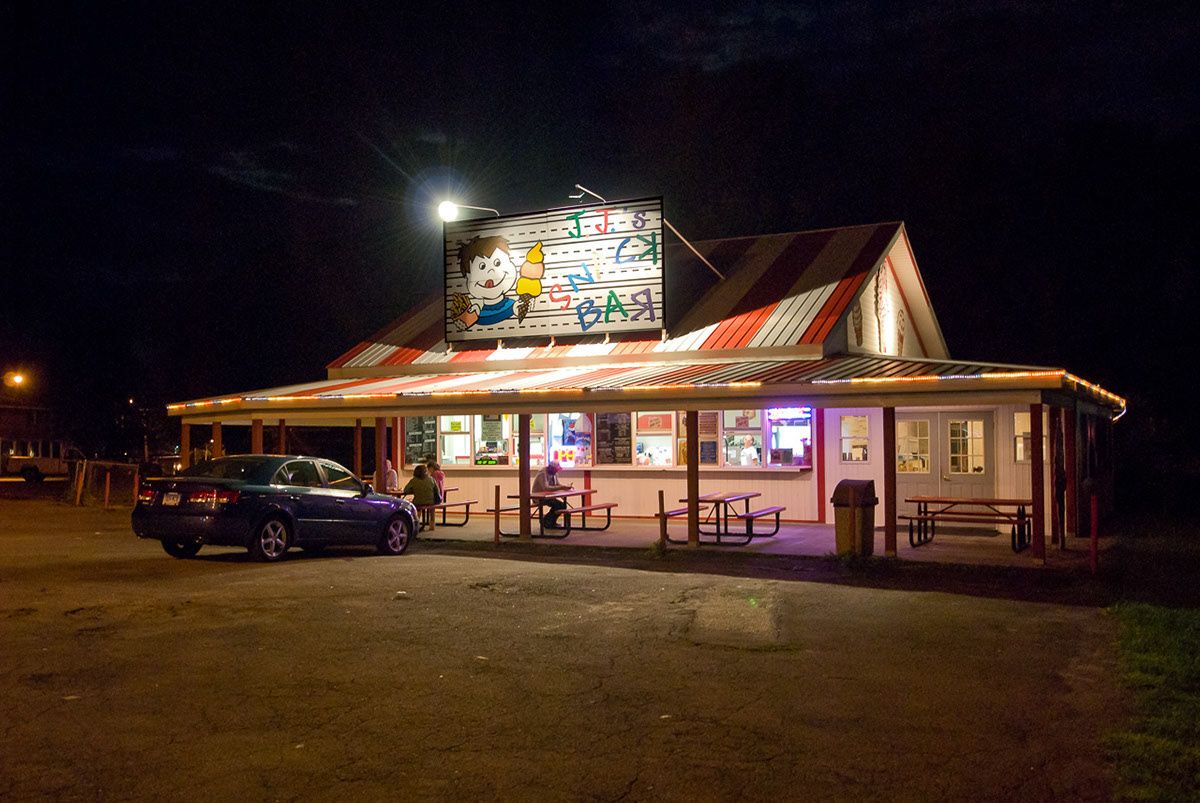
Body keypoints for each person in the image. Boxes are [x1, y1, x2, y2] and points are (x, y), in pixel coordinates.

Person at [532, 459, 571, 530]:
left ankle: (550, 522)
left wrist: (565, 487)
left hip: (548, 497)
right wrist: (561, 487)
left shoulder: (554, 474)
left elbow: (557, 485)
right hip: (539, 497)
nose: (557, 471)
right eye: (556, 469)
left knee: (562, 505)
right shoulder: (542, 473)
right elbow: (545, 488)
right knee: (557, 505)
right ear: (551, 468)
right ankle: (547, 521)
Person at [400, 464, 440, 531]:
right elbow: (437, 490)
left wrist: (414, 490)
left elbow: (406, 490)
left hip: (418, 501)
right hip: (431, 501)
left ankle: (417, 522)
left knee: (415, 506)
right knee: (432, 508)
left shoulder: (414, 480)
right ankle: (432, 524)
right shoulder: (431, 479)